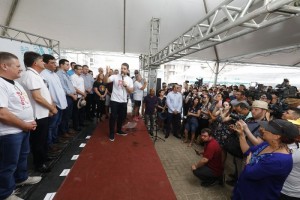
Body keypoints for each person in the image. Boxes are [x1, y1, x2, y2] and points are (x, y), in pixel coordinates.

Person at [0, 52, 41, 200]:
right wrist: (24, 124)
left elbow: (21, 106)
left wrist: (29, 121)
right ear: (4, 66)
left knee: (22, 156)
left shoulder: (15, 83)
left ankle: (21, 178)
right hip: (9, 132)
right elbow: (3, 114)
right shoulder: (1, 84)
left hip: (23, 128)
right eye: (17, 66)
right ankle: (4, 193)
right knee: (8, 163)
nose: (21, 69)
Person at [231, 119, 299, 200]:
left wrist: (248, 163)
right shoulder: (267, 144)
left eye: (267, 129)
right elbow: (247, 152)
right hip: (243, 191)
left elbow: (249, 173)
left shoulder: (279, 160)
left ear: (277, 136)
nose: (262, 130)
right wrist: (241, 135)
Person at [20, 51, 57, 173]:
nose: (44, 63)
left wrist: (50, 107)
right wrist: (51, 108)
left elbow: (44, 94)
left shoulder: (37, 75)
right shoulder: (30, 75)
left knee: (43, 139)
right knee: (38, 141)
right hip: (37, 115)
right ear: (35, 63)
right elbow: (37, 97)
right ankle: (39, 164)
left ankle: (43, 157)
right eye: (42, 61)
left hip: (43, 113)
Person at [41, 54, 67, 153]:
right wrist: (52, 105)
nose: (55, 65)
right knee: (51, 126)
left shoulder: (54, 74)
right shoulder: (43, 75)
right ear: (45, 63)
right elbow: (46, 92)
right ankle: (49, 144)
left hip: (60, 103)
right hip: (53, 105)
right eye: (52, 63)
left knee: (56, 123)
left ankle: (55, 140)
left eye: (55, 62)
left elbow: (59, 89)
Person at [104, 64, 133, 141]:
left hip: (123, 101)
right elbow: (105, 81)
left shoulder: (130, 79)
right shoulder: (115, 76)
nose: (122, 70)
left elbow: (131, 91)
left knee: (122, 117)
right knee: (113, 117)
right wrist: (107, 73)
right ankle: (111, 133)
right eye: (122, 68)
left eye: (124, 68)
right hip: (114, 100)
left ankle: (119, 130)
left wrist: (126, 86)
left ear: (127, 70)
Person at [56, 59, 78, 140]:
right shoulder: (59, 74)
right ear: (61, 65)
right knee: (65, 115)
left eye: (68, 64)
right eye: (67, 64)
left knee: (68, 115)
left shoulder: (66, 74)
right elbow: (63, 87)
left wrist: (74, 93)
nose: (68, 66)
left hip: (71, 96)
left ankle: (66, 129)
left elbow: (70, 85)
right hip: (66, 97)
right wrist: (72, 95)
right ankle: (63, 132)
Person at [70, 65, 86, 131]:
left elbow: (82, 86)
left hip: (82, 97)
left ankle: (81, 123)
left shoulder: (81, 77)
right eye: (79, 69)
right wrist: (82, 93)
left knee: (81, 111)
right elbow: (74, 88)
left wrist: (84, 94)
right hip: (77, 97)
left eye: (81, 69)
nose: (81, 70)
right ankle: (76, 126)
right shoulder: (73, 77)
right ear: (75, 70)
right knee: (76, 112)